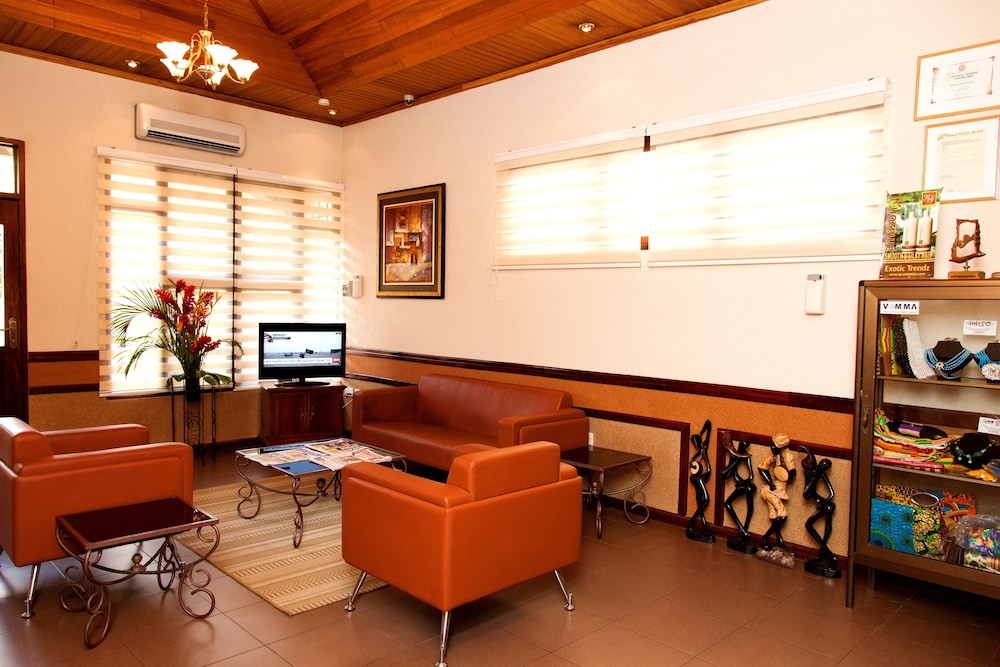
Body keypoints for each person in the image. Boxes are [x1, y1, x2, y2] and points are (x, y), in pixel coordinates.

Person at [757, 433, 796, 552]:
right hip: (772, 490)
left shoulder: (787, 455)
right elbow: (762, 467)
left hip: (778, 489)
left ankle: (779, 540)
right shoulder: (773, 455)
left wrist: (786, 473)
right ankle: (765, 537)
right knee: (782, 515)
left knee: (774, 515)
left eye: (774, 446)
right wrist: (770, 483)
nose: (772, 448)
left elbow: (792, 473)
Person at [722, 439, 756, 553]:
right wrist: (735, 460)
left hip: (745, 485)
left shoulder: (746, 457)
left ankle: (744, 530)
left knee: (729, 504)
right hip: (742, 485)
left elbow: (751, 476)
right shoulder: (735, 457)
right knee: (730, 504)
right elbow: (727, 474)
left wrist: (741, 482)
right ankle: (743, 530)